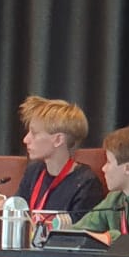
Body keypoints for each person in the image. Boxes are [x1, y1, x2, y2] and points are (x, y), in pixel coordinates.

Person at [18, 94, 104, 223]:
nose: (25, 140)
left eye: (34, 133)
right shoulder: (33, 171)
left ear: (58, 140)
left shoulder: (86, 184)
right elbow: (21, 211)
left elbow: (80, 231)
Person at [72, 126, 129, 243]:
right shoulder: (113, 199)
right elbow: (80, 230)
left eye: (109, 162)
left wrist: (110, 237)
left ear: (128, 168)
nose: (103, 168)